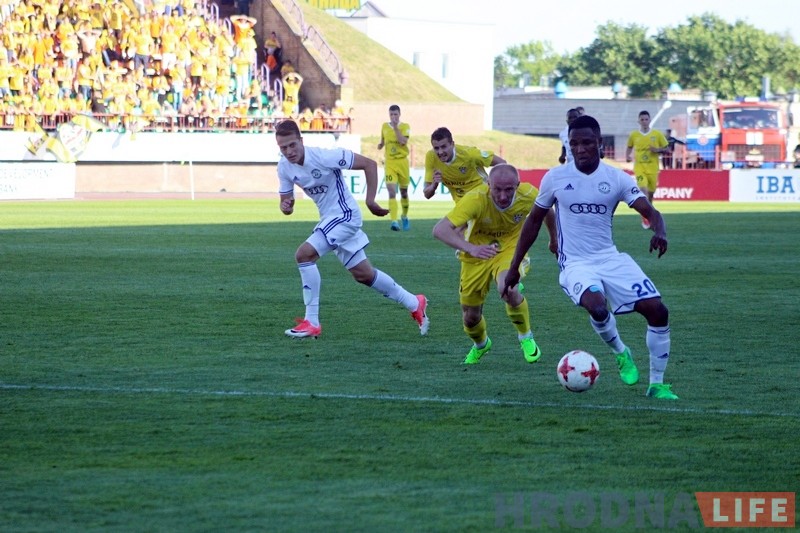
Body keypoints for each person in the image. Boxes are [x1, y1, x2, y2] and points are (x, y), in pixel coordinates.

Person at [503, 115, 678, 400]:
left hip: (610, 258)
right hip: (575, 263)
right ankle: (621, 353)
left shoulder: (616, 178)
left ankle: (657, 384)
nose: (580, 148)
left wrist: (660, 232)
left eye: (586, 142)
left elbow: (651, 212)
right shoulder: (555, 178)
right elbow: (533, 221)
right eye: (574, 143)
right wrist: (513, 267)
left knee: (658, 310)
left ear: (600, 144)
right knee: (597, 307)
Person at [275, 119, 429, 338]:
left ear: (301, 140)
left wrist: (370, 200)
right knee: (364, 275)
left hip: (345, 215)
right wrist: (286, 206)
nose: (289, 151)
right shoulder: (283, 167)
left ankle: (311, 321)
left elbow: (369, 164)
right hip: (331, 219)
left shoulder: (325, 156)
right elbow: (286, 205)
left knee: (304, 255)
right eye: (283, 147)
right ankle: (414, 302)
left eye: (292, 145)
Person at [433, 164, 556, 364]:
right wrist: (470, 248)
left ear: (518, 185)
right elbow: (439, 230)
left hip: (510, 250)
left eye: (509, 189)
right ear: (488, 184)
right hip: (476, 255)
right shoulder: (475, 198)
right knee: (470, 317)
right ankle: (481, 345)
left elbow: (548, 212)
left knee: (508, 288)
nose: (502, 196)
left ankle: (525, 336)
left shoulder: (528, 195)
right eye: (497, 189)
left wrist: (554, 239)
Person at [423, 126, 506, 202]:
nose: (440, 152)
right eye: (436, 148)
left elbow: (502, 163)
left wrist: (494, 180)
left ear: (452, 144)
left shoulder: (470, 154)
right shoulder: (431, 157)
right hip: (462, 204)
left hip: (483, 198)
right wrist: (434, 185)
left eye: (444, 147)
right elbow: (427, 195)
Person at [625, 110, 669, 229]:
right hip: (639, 168)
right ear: (638, 121)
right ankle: (644, 217)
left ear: (649, 120)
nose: (644, 121)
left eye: (646, 119)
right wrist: (627, 156)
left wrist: (657, 150)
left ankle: (649, 213)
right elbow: (629, 147)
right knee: (643, 191)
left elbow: (667, 149)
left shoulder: (657, 134)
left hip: (653, 168)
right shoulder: (634, 135)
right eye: (642, 119)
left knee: (650, 195)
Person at [377, 104, 411, 231]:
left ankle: (404, 216)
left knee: (404, 193)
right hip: (390, 163)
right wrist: (380, 145)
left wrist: (396, 128)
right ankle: (394, 221)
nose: (393, 117)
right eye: (391, 114)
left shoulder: (405, 127)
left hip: (402, 163)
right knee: (391, 192)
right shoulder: (384, 126)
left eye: (395, 114)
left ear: (399, 114)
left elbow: (403, 142)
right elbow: (382, 140)